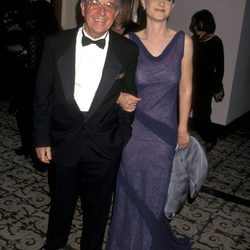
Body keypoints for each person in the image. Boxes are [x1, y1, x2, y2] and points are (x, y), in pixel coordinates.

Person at [32, 0, 139, 249]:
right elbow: (42, 96)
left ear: (116, 13)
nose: (101, 11)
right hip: (63, 141)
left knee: (97, 212)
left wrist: (122, 136)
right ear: (82, 8)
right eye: (95, 3)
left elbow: (129, 95)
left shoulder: (127, 50)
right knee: (60, 206)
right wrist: (41, 138)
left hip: (104, 146)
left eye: (109, 5)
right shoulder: (56, 43)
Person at [107, 0, 193, 249]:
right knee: (129, 194)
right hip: (133, 133)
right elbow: (108, 83)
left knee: (154, 198)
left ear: (173, 6)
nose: (161, 3)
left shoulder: (183, 43)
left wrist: (182, 128)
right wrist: (119, 97)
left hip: (164, 136)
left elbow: (186, 88)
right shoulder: (127, 41)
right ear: (143, 3)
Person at [189, 9, 224, 152]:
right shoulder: (192, 41)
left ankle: (211, 138)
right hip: (189, 83)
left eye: (199, 25)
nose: (196, 29)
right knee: (180, 112)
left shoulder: (216, 43)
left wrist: (217, 88)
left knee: (201, 116)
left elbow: (219, 69)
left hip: (205, 86)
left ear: (207, 25)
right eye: (195, 25)